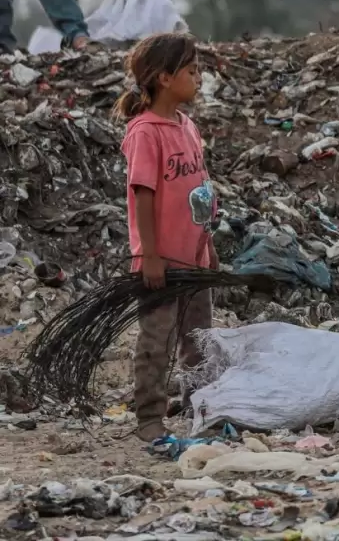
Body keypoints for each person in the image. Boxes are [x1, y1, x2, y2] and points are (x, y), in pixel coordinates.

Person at [113, 33, 218, 443]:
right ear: (163, 78)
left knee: (198, 340)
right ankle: (150, 417)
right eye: (192, 71)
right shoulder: (145, 132)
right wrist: (151, 255)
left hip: (194, 257)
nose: (199, 78)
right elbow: (143, 195)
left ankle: (196, 407)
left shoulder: (187, 126)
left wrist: (207, 242)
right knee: (157, 340)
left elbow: (201, 187)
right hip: (161, 259)